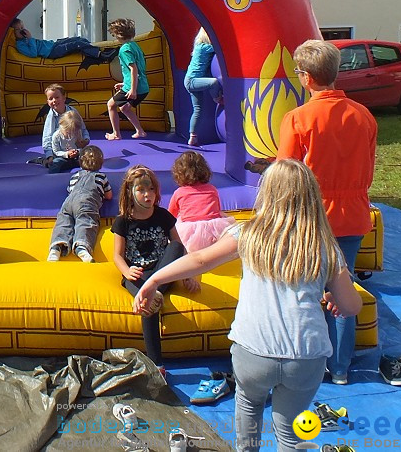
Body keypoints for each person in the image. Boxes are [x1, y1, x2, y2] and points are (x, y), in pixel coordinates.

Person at [133, 159, 362, 452]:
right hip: (306, 355)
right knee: (292, 436)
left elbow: (199, 259)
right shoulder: (323, 245)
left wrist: (153, 281)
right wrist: (333, 297)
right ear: (312, 197)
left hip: (254, 351)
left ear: (266, 193)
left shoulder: (248, 233)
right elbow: (352, 305)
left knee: (249, 409)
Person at [276, 38, 377, 386]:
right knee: (343, 290)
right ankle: (340, 367)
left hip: (313, 217)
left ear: (305, 78)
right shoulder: (363, 116)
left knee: (305, 290)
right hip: (354, 213)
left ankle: (308, 361)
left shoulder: (298, 118)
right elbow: (370, 167)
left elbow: (286, 173)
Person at [111, 165, 192, 371]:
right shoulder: (123, 221)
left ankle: (152, 291)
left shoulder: (163, 216)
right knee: (148, 302)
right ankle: (157, 365)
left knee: (175, 246)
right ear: (130, 193)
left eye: (151, 189)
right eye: (141, 190)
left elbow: (179, 248)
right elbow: (117, 256)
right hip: (136, 275)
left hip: (162, 272)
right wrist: (126, 271)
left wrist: (188, 275)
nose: (147, 195)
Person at [168, 151, 235, 291]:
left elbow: (170, 217)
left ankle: (186, 269)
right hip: (215, 235)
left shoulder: (179, 193)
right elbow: (216, 211)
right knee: (221, 216)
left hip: (189, 237)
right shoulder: (212, 189)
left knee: (177, 223)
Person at [47, 145, 111, 262]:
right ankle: (81, 246)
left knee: (64, 222)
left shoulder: (75, 176)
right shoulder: (101, 177)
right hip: (87, 203)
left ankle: (56, 246)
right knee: (86, 222)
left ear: (80, 163)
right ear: (101, 163)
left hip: (69, 203)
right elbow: (109, 195)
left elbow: (70, 190)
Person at [105, 19, 149, 140]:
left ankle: (116, 134)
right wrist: (125, 83)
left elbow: (133, 69)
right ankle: (140, 131)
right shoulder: (135, 46)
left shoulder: (124, 49)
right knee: (124, 108)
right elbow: (138, 69)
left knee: (111, 105)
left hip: (134, 87)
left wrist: (132, 89)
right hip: (143, 86)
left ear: (118, 34)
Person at [11, 19, 116, 67]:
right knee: (76, 44)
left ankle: (95, 51)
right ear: (13, 33)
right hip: (51, 52)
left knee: (79, 39)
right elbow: (33, 53)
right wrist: (30, 39)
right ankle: (102, 56)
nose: (21, 31)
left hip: (53, 44)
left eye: (22, 28)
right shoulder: (20, 45)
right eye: (18, 30)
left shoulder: (25, 39)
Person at [32, 84, 89, 168]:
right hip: (60, 151)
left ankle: (72, 162)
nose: (54, 100)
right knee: (55, 164)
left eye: (57, 97)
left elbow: (82, 128)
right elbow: (47, 137)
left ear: (64, 98)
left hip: (75, 149)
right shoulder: (51, 117)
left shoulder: (73, 112)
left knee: (89, 158)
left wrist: (86, 139)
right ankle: (43, 160)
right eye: (50, 99)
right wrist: (49, 156)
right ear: (48, 102)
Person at [184, 28, 224, 147]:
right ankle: (217, 98)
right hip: (192, 81)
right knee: (213, 82)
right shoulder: (203, 47)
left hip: (191, 81)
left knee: (197, 110)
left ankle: (193, 137)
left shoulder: (200, 47)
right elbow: (219, 48)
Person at [49, 109, 88, 175]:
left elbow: (81, 147)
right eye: (68, 132)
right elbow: (56, 151)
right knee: (55, 162)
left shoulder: (78, 133)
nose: (70, 135)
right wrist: (67, 154)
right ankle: (53, 176)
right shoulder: (56, 136)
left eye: (73, 132)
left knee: (87, 157)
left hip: (76, 158)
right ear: (61, 125)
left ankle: (87, 173)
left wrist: (77, 151)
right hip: (63, 158)